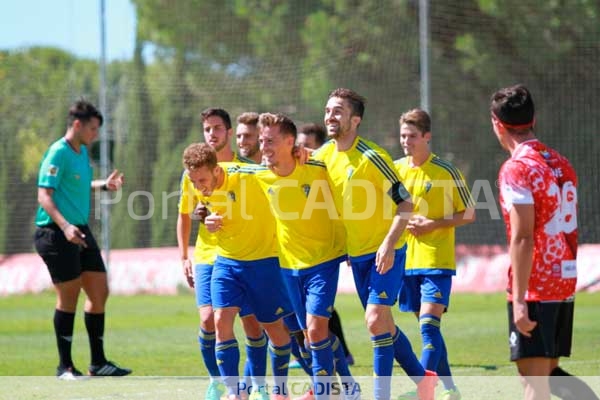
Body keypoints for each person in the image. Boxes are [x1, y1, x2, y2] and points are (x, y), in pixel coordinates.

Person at [312, 88, 437, 400]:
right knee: (386, 326)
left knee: (373, 321)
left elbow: (405, 205)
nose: (330, 116)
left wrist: (388, 245)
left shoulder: (373, 157)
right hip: (357, 256)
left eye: (338, 111)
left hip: (388, 251)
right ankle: (424, 382)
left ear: (355, 120)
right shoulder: (323, 156)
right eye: (328, 110)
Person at [491, 84, 598, 400]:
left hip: (536, 283)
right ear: (532, 118)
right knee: (548, 375)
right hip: (563, 279)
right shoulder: (561, 161)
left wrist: (520, 298)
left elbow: (524, 236)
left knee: (534, 384)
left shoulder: (517, 168)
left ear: (497, 124)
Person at [256, 113, 359, 400]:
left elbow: (343, 160)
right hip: (288, 267)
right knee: (308, 335)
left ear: (291, 142)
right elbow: (224, 178)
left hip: (324, 261)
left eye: (270, 141)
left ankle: (326, 393)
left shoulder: (317, 165)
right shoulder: (259, 175)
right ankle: (347, 384)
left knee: (314, 331)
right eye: (262, 141)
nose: (263, 146)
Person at [182, 143, 293, 400]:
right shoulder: (196, 182)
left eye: (202, 180)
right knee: (220, 321)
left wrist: (297, 153)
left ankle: (280, 390)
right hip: (226, 262)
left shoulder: (247, 174)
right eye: (193, 181)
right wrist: (207, 219)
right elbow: (206, 209)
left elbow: (281, 172)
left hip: (263, 262)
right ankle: (233, 393)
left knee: (274, 330)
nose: (198, 186)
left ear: (216, 170)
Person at [33, 99, 130, 379]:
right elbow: (44, 195)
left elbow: (75, 185)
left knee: (100, 291)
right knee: (70, 296)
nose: (95, 135)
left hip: (80, 229)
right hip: (55, 231)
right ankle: (64, 367)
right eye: (92, 129)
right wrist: (64, 227)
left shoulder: (81, 152)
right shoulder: (57, 153)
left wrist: (103, 185)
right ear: (77, 125)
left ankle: (98, 363)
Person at [177, 108, 267, 400]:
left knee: (252, 323)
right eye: (207, 129)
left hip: (244, 254)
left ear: (229, 133)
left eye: (217, 128)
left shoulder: (246, 168)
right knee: (208, 320)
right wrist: (184, 256)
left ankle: (256, 386)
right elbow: (185, 214)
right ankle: (220, 383)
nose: (211, 133)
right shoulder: (192, 172)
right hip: (207, 254)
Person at [394, 109, 476, 400]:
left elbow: (469, 213)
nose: (406, 141)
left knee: (429, 327)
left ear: (427, 136)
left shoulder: (445, 170)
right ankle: (451, 390)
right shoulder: (395, 170)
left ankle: (423, 390)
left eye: (412, 136)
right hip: (407, 263)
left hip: (436, 261)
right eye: (403, 135)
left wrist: (433, 224)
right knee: (430, 331)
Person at [292, 122, 355, 368]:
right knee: (316, 311)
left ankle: (326, 372)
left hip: (325, 253)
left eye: (307, 145)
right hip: (297, 255)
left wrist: (347, 242)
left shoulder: (326, 169)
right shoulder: (293, 172)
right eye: (299, 144)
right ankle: (325, 360)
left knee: (318, 313)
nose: (301, 150)